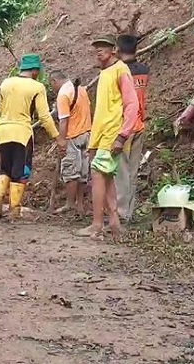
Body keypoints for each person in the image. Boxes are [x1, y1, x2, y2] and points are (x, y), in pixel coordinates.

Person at [74, 35, 138, 240]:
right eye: (97, 48)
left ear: (114, 50)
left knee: (98, 175)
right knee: (107, 177)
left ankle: (96, 224)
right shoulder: (106, 73)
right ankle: (114, 221)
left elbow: (132, 105)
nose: (99, 51)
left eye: (103, 48)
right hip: (101, 134)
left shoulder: (120, 70)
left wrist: (122, 136)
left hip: (112, 132)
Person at [0, 54, 61, 220]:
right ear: (35, 71)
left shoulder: (5, 83)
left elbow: (0, 110)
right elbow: (44, 116)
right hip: (22, 133)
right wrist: (57, 136)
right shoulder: (36, 87)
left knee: (5, 169)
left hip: (3, 131)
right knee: (19, 171)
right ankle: (14, 209)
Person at [114, 34, 149, 222]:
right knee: (132, 171)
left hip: (124, 127)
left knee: (121, 172)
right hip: (139, 125)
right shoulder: (144, 69)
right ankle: (129, 211)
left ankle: (121, 213)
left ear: (118, 50)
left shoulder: (119, 71)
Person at [50, 71, 92, 215]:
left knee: (71, 172)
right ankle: (80, 205)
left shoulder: (63, 94)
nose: (52, 88)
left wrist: (62, 140)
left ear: (54, 81)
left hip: (72, 136)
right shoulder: (80, 89)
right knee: (83, 173)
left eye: (52, 85)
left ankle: (70, 204)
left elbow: (64, 120)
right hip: (86, 134)